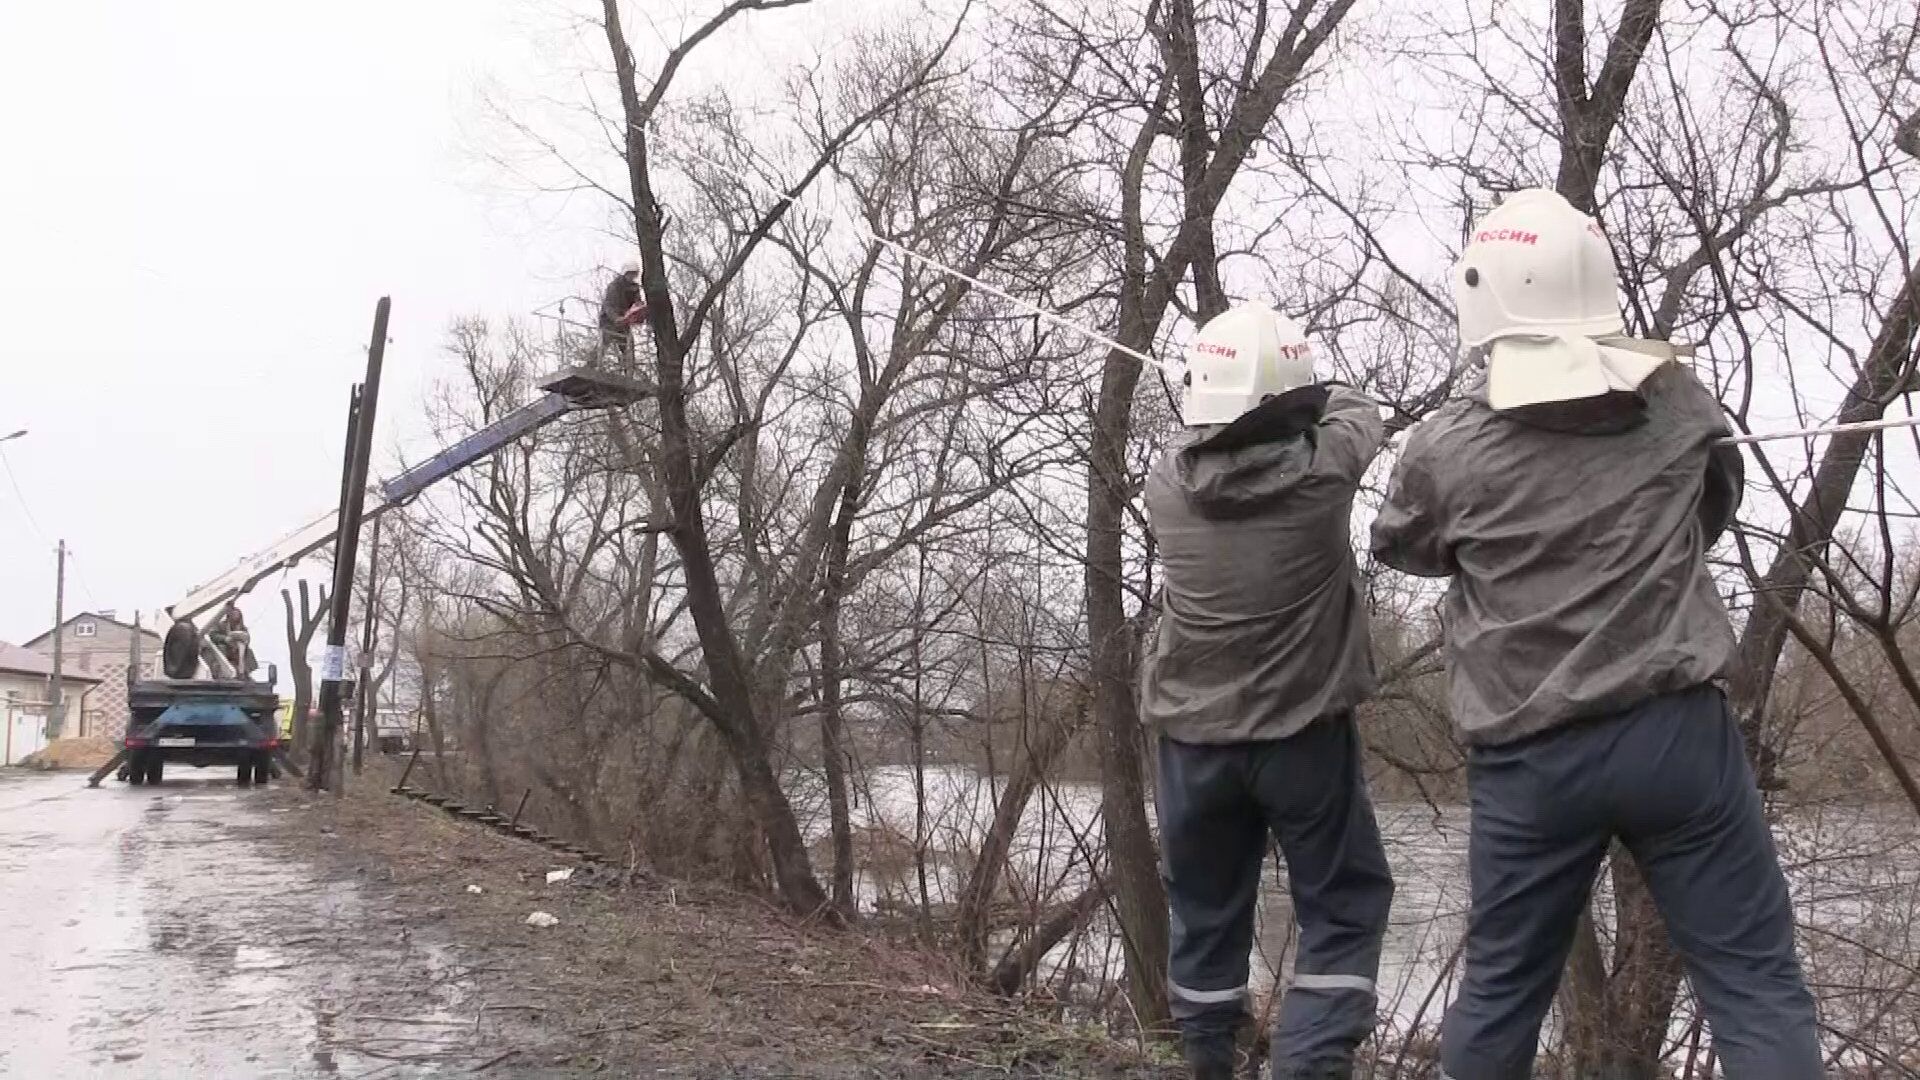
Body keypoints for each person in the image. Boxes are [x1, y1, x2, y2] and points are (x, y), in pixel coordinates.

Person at [1370, 188, 1821, 1079]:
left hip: (1530, 759)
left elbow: (1404, 545)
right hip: (1675, 738)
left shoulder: (1447, 446)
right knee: (1755, 986)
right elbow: (1713, 504)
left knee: (1499, 993)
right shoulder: (1676, 401)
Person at [1142, 302, 1396, 1080]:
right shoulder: (1323, 473)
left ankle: (1209, 1063)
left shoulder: (1165, 484)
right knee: (1344, 907)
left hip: (1190, 744)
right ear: (1285, 404)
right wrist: (1304, 396)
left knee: (1206, 915)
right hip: (1300, 738)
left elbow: (1206, 443)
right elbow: (1361, 410)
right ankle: (1311, 1064)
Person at [598, 261, 647, 364]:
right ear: (625, 273)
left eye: (634, 274)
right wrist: (616, 318)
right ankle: (591, 365)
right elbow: (609, 306)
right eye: (630, 273)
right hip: (609, 321)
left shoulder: (634, 288)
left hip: (624, 321)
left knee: (628, 348)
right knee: (603, 344)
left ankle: (629, 371)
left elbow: (637, 304)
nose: (632, 276)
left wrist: (639, 312)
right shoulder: (614, 286)